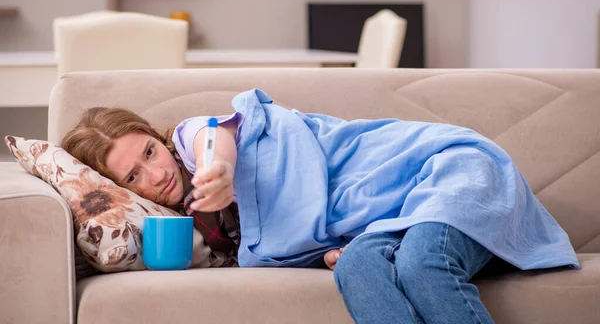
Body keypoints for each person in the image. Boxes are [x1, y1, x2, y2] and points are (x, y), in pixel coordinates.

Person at [61, 88, 579, 324]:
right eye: (134, 177)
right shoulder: (205, 226)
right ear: (126, 191)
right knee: (357, 267)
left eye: (149, 152)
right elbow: (303, 229)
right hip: (394, 217)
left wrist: (216, 170)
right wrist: (333, 247)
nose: (157, 173)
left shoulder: (194, 140)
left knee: (423, 263)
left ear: (157, 137)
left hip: (445, 169)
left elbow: (214, 138)